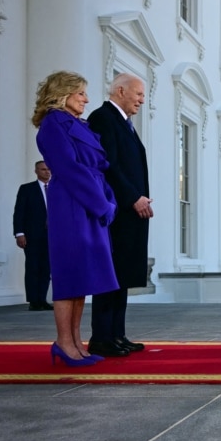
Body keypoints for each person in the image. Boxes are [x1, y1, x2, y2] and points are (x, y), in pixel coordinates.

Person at [32, 70, 120, 367]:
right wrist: (100, 204)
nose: (86, 99)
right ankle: (64, 343)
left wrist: (108, 201)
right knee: (70, 275)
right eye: (81, 92)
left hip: (89, 201)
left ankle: (76, 342)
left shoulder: (74, 124)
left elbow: (98, 167)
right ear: (63, 93)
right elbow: (69, 169)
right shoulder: (53, 123)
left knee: (82, 275)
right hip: (72, 203)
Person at [87, 73, 153, 358]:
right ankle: (101, 337)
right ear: (120, 90)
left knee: (122, 274)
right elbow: (108, 165)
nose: (141, 99)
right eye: (138, 94)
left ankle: (117, 334)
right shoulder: (102, 117)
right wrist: (132, 197)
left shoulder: (125, 124)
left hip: (130, 212)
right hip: (117, 211)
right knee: (110, 274)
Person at [13, 161, 53, 310]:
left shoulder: (57, 189)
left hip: (52, 236)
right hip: (32, 235)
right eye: (43, 169)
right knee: (33, 267)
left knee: (46, 268)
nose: (47, 172)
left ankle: (42, 299)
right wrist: (19, 233)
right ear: (36, 171)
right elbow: (19, 212)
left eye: (49, 169)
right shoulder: (27, 189)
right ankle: (33, 301)